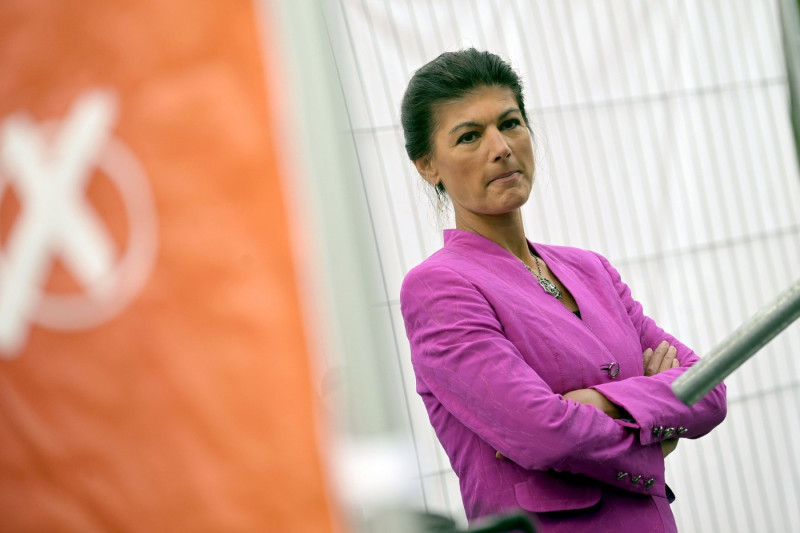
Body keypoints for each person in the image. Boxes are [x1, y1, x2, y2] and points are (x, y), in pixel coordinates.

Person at [399, 49, 727, 533]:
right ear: (428, 166)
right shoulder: (438, 287)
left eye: (510, 123)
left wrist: (599, 403)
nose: (501, 147)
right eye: (470, 136)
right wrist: (656, 427)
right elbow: (544, 435)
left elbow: (710, 390)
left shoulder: (590, 269)